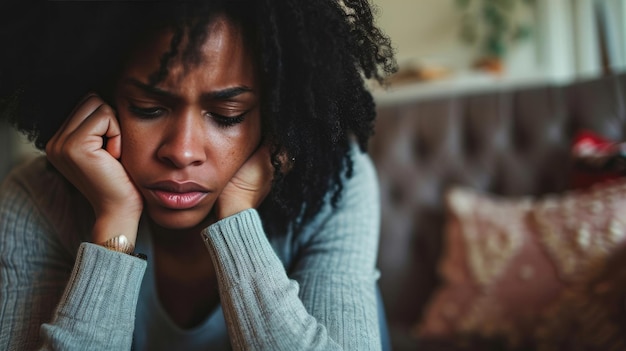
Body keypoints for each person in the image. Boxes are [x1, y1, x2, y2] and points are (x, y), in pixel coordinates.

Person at [0, 1, 396, 350]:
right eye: (147, 108)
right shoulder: (36, 200)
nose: (183, 152)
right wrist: (114, 224)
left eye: (228, 116)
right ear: (97, 99)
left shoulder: (334, 190)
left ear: (276, 115)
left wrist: (238, 222)